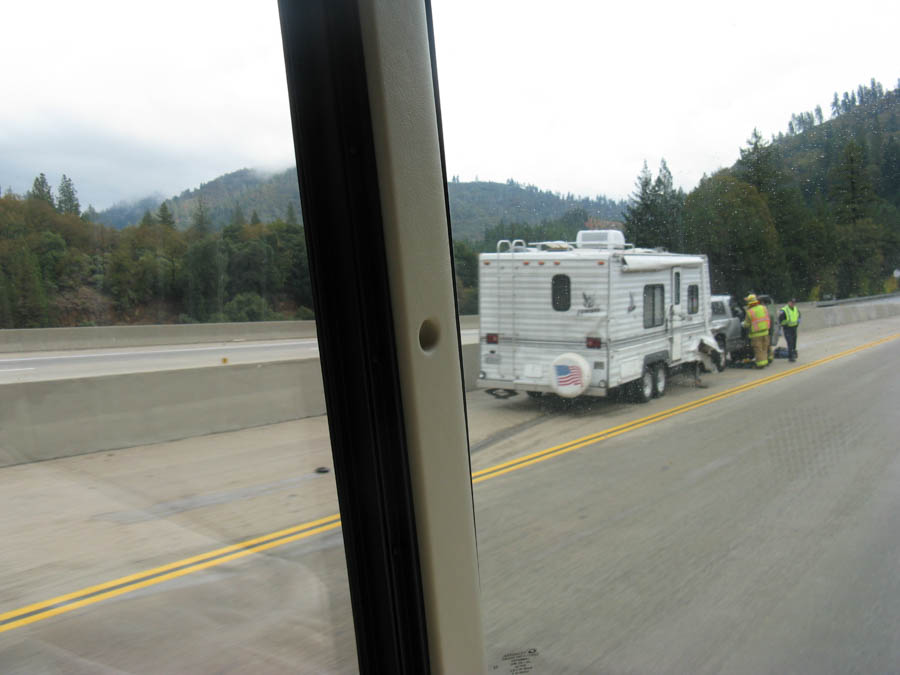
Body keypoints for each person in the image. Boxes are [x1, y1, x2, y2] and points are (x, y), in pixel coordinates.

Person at [742, 293, 771, 368]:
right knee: (764, 348)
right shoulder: (763, 308)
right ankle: (765, 362)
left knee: (758, 350)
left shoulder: (750, 312)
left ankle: (760, 365)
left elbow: (747, 324)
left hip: (756, 335)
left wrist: (742, 324)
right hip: (765, 332)